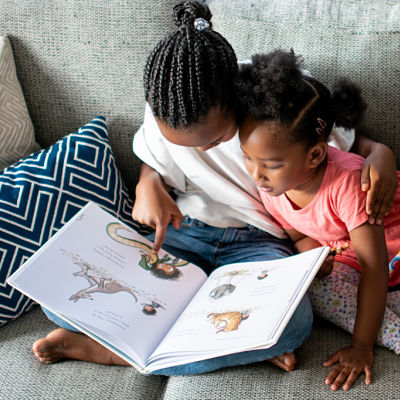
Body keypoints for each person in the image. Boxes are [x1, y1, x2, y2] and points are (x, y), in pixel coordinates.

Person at [32, 1, 398, 376]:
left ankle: (112, 351)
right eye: (184, 143)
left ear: (236, 98)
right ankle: (235, 343)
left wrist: (382, 155)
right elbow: (153, 160)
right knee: (58, 299)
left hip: (260, 244)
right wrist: (148, 184)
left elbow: (346, 149)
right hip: (185, 232)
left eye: (215, 139)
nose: (200, 150)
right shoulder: (168, 102)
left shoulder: (278, 100)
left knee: (293, 327)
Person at [237, 49, 400, 391]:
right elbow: (297, 232)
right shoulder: (273, 185)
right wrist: (314, 255)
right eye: (248, 159)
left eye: (270, 164)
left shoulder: (348, 184)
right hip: (356, 256)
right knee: (318, 292)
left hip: (387, 246)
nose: (257, 175)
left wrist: (361, 347)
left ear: (315, 154)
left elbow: (374, 267)